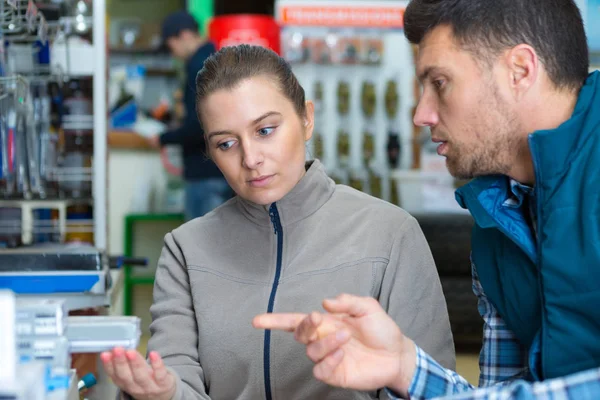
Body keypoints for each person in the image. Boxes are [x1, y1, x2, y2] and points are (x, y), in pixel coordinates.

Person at [253, 0, 600, 398]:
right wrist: (405, 367)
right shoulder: (495, 219)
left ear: (519, 71)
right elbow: (503, 388)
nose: (421, 114)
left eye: (439, 83)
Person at [101, 44, 455, 400]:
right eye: (226, 143)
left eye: (266, 130)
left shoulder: (391, 234)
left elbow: (434, 387)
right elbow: (180, 383)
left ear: (306, 119)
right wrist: (161, 394)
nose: (251, 158)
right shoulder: (186, 250)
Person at [150, 11, 232, 221]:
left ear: (185, 35)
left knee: (204, 250)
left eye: (172, 45)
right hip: (220, 171)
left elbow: (201, 126)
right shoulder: (215, 61)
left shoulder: (199, 67)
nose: (173, 53)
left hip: (205, 175)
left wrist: (163, 138)